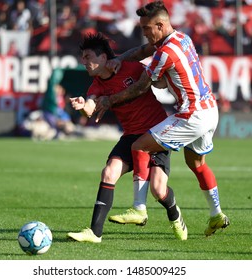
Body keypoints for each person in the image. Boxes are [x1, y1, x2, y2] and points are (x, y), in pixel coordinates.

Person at [95, 1, 230, 237]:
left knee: (139, 145)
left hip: (191, 115)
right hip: (210, 110)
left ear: (160, 25)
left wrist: (108, 101)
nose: (144, 33)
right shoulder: (181, 38)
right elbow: (141, 52)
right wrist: (119, 58)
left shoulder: (165, 53)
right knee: (197, 164)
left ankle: (139, 209)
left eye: (147, 29)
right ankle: (216, 214)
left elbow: (139, 88)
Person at [67, 32, 188, 243]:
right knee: (109, 172)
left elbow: (152, 76)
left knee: (159, 190)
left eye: (88, 57)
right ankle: (95, 232)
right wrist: (81, 107)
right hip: (131, 135)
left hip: (156, 133)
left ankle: (174, 213)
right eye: (83, 57)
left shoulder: (132, 67)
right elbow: (90, 107)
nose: (83, 61)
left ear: (103, 57)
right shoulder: (97, 85)